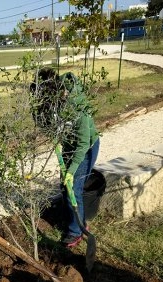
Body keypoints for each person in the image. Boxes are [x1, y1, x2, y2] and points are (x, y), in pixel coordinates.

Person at [31, 69, 100, 248]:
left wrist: (71, 169)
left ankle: (76, 231)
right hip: (69, 145)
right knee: (65, 187)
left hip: (86, 147)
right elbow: (42, 120)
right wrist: (52, 134)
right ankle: (75, 219)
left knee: (73, 187)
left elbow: (83, 143)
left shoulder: (77, 105)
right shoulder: (48, 104)